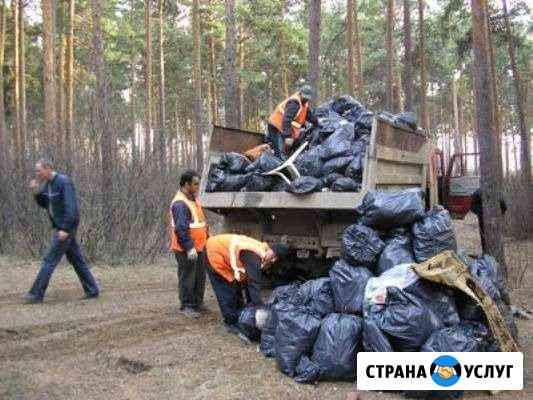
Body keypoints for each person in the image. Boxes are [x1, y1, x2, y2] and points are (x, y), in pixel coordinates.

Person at [24, 158, 100, 303]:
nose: (37, 173)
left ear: (48, 168)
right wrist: (35, 192)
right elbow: (45, 203)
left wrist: (65, 229)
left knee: (49, 260)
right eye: (37, 171)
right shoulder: (48, 184)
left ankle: (35, 294)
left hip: (66, 228)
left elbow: (71, 209)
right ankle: (92, 290)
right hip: (61, 228)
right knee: (76, 260)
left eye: (39, 170)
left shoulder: (63, 182)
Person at [204, 234, 289, 337]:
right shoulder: (254, 255)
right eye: (274, 256)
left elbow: (248, 280)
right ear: (271, 250)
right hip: (214, 253)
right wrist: (259, 308)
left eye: (275, 259)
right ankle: (230, 323)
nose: (273, 260)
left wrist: (251, 303)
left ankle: (238, 318)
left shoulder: (261, 250)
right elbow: (254, 283)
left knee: (236, 290)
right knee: (226, 292)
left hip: (223, 254)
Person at [169, 170, 208, 318]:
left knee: (199, 277)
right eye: (195, 184)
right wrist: (189, 248)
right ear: (186, 185)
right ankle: (186, 306)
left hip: (199, 247)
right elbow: (180, 229)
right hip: (186, 249)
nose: (198, 187)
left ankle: (198, 303)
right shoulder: (180, 203)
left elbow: (200, 224)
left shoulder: (193, 199)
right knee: (187, 278)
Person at [267, 85, 319, 158]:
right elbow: (286, 120)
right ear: (300, 94)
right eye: (304, 97)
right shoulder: (294, 103)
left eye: (307, 98)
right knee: (279, 151)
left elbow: (309, 115)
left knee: (288, 146)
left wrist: (317, 123)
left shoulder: (304, 103)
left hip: (283, 127)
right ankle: (277, 163)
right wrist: (288, 136)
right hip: (275, 126)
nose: (306, 99)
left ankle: (283, 157)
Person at [470, 188, 507, 253]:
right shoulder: (495, 191)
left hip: (487, 218)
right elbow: (504, 207)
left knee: (485, 236)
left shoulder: (478, 192)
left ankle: (486, 251)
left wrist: (479, 212)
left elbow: (472, 207)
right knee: (488, 236)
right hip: (490, 218)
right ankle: (488, 251)